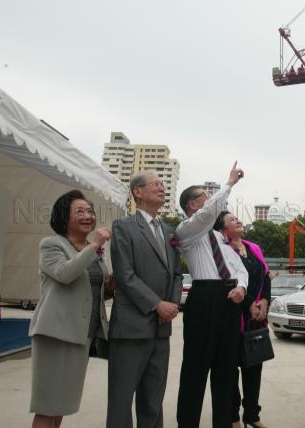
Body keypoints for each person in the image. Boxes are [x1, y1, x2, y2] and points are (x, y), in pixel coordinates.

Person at [29, 189, 114, 428]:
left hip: (82, 334)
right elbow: (64, 274)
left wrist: (110, 286)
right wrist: (95, 244)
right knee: (47, 405)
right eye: (80, 212)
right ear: (63, 217)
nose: (88, 216)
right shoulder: (51, 244)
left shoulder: (92, 250)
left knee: (62, 404)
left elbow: (92, 290)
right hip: (56, 332)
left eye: (90, 211)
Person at [175, 162, 248, 428]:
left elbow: (237, 266)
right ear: (193, 205)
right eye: (205, 197)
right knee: (195, 368)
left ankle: (224, 422)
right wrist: (228, 184)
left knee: (226, 370)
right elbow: (208, 213)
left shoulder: (218, 237)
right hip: (204, 298)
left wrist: (241, 286)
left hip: (229, 300)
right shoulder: (187, 231)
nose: (210, 202)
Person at [107, 171, 183, 428]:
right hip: (132, 326)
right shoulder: (123, 227)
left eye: (163, 184)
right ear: (137, 192)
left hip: (161, 328)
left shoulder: (169, 231)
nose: (162, 188)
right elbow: (124, 275)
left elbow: (176, 273)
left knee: (153, 398)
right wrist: (156, 304)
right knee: (121, 396)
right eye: (156, 184)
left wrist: (170, 305)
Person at [213, 211, 270, 428]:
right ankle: (233, 416)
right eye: (231, 220)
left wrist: (264, 301)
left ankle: (252, 415)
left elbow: (265, 275)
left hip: (257, 317)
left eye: (237, 218)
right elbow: (229, 281)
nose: (237, 220)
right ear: (223, 230)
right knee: (230, 369)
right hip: (233, 316)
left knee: (254, 367)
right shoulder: (222, 250)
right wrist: (249, 305)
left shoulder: (253, 247)